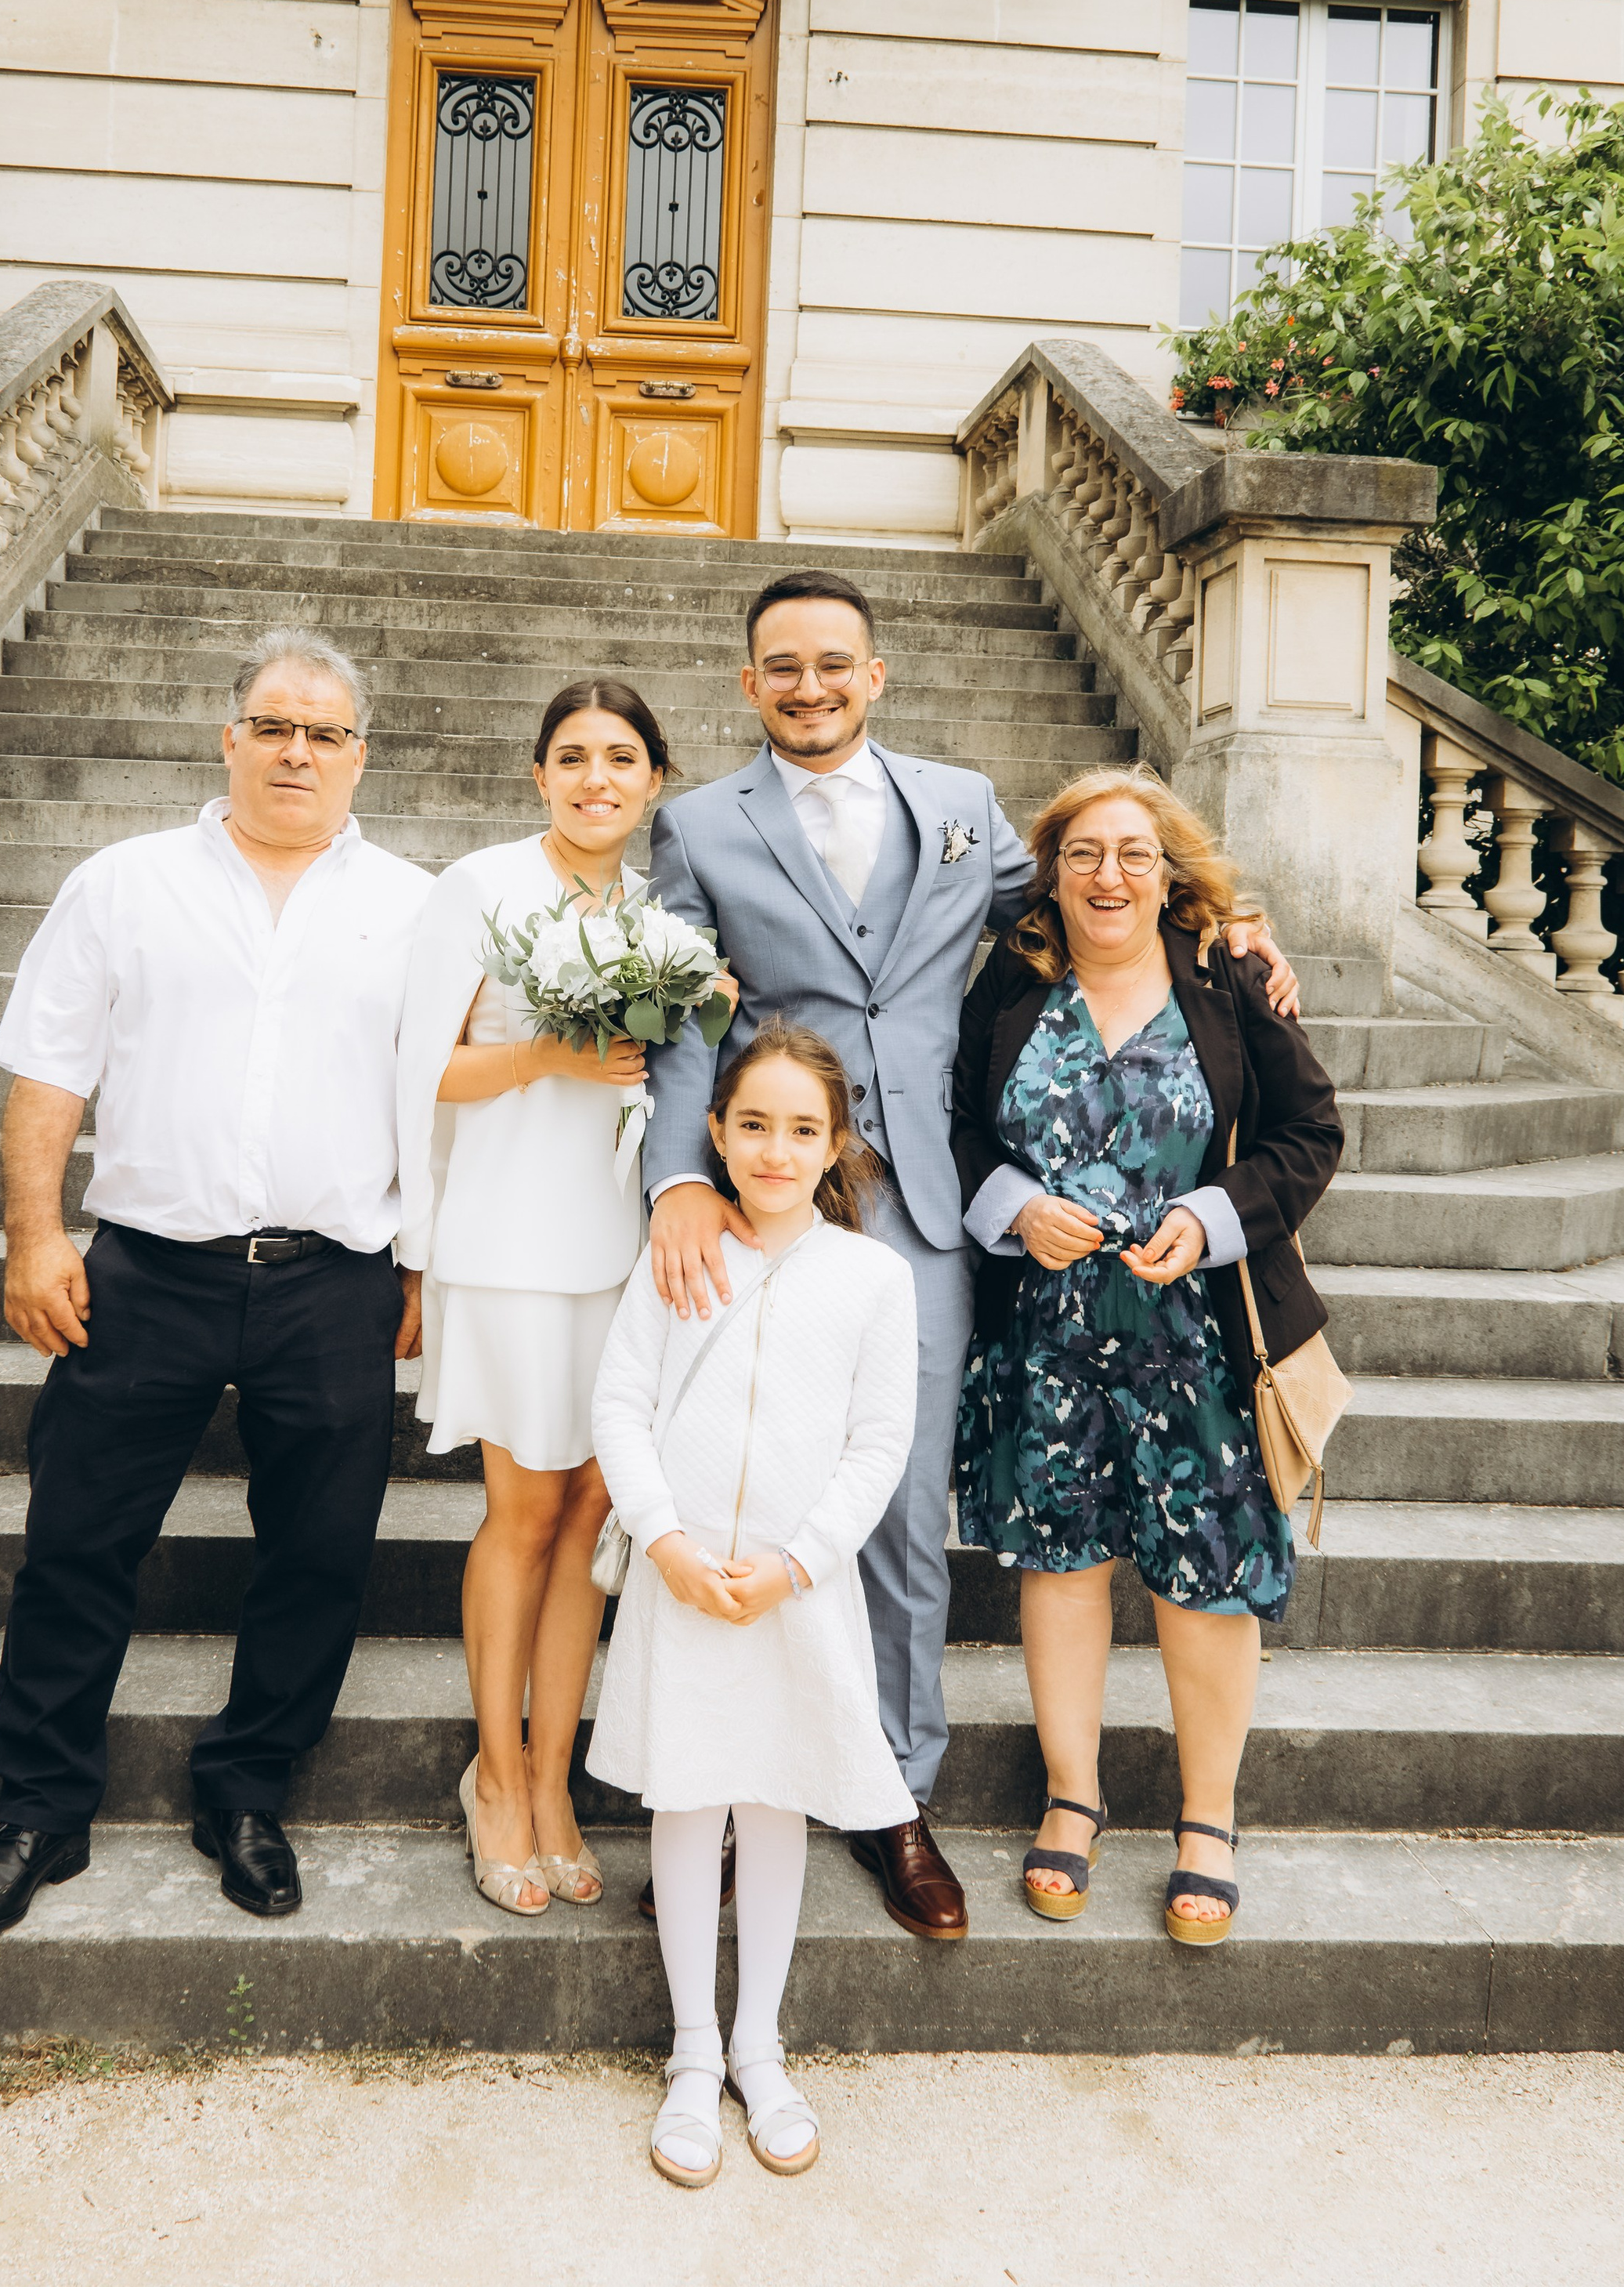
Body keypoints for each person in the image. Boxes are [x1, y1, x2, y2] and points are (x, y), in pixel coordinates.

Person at [640, 570, 1300, 1944]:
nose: (810, 686)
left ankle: (894, 1790)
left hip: (932, 1212)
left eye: (835, 662)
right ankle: (727, 1787)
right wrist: (683, 1182)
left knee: (901, 1501)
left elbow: (1090, 896)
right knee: (734, 1481)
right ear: (749, 683)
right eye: (782, 666)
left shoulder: (958, 807)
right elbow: (688, 1016)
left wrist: (1227, 922)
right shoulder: (698, 827)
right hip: (774, 1189)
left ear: (876, 676)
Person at [0, 628, 431, 1944]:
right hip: (145, 1273)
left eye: (325, 733)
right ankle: (42, 1808)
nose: (297, 752)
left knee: (319, 1553)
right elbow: (50, 1070)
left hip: (334, 1281)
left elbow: (438, 1100)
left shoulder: (416, 908)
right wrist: (34, 1236)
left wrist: (425, 1261)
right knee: (77, 1542)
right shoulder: (124, 884)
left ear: (361, 754)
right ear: (230, 738)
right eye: (274, 726)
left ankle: (247, 1791)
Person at [950, 764, 1342, 1945]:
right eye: (1083, 853)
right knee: (1060, 1564)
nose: (1108, 875)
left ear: (1168, 872)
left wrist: (1213, 1218)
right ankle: (1071, 1799)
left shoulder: (1229, 977)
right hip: (1050, 1339)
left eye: (1133, 853)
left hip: (1201, 1340)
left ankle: (1207, 1821)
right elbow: (958, 1124)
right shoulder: (1014, 979)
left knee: (1208, 1577)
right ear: (1052, 873)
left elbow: (1309, 1131)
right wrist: (1017, 1207)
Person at [588, 1023, 917, 2186]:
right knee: (686, 1803)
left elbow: (879, 1444)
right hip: (683, 1584)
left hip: (795, 1594)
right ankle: (691, 2052)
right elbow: (621, 1405)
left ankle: (758, 2048)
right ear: (717, 1135)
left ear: (835, 1146)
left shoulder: (874, 1280)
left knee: (777, 1804)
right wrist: (665, 1541)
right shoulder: (679, 1256)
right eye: (755, 1125)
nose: (777, 1151)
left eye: (803, 1130)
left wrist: (799, 1563)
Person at [397, 679, 670, 1915]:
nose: (595, 778)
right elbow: (422, 1072)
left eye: (620, 757)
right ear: (539, 774)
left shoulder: (661, 912)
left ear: (653, 779)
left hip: (626, 1250)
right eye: (572, 756)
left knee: (593, 1510)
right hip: (506, 1239)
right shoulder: (482, 886)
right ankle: (496, 1779)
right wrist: (543, 1055)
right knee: (523, 1512)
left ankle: (556, 1780)